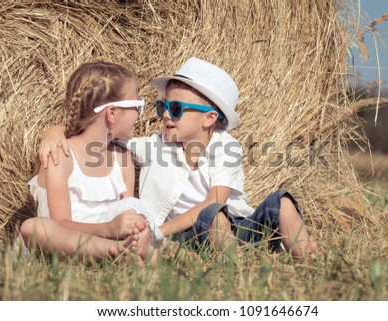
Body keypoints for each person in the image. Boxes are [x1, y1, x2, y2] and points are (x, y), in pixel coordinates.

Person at [40, 57, 317, 259]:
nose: (164, 114)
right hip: (188, 239)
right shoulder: (154, 146)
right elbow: (99, 127)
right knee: (213, 218)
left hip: (236, 228)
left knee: (279, 201)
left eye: (175, 108)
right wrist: (55, 132)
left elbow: (215, 201)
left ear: (209, 118)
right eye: (163, 105)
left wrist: (159, 229)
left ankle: (306, 255)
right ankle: (236, 272)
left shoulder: (226, 148)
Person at [19, 61, 162, 264]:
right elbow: (60, 223)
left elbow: (126, 216)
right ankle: (118, 252)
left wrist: (131, 227)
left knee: (133, 206)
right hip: (62, 245)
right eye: (138, 106)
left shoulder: (122, 157)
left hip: (109, 237)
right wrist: (107, 229)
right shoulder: (60, 156)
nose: (140, 114)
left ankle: (131, 251)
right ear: (112, 113)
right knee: (32, 227)